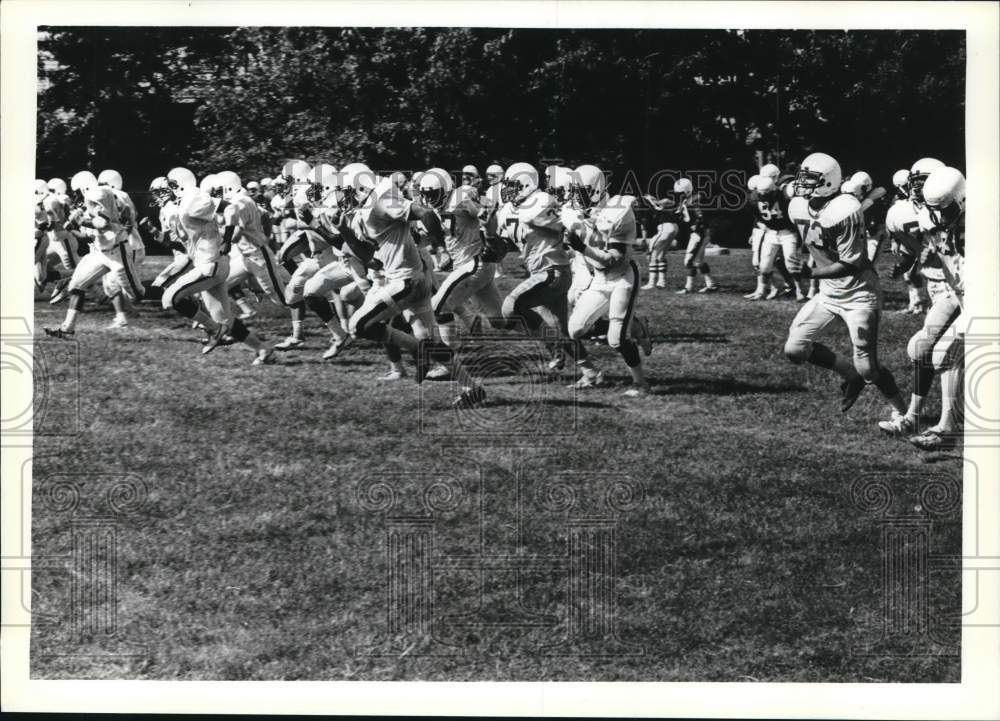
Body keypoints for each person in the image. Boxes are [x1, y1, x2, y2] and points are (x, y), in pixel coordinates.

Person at [783, 152, 907, 417]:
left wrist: (810, 274)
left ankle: (904, 413)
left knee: (869, 368)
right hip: (829, 293)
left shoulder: (845, 209)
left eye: (810, 179)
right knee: (795, 349)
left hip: (859, 293)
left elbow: (851, 263)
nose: (802, 184)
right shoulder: (798, 206)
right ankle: (850, 375)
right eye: (802, 177)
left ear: (828, 182)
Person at [879, 165, 965, 450]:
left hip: (984, 297)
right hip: (956, 293)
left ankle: (946, 428)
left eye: (944, 208)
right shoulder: (930, 215)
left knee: (943, 355)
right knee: (920, 349)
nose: (939, 215)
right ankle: (916, 417)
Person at [563, 164, 652, 396]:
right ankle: (636, 327)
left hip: (622, 277)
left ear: (595, 190)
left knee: (616, 339)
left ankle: (640, 383)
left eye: (579, 191)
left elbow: (616, 260)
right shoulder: (581, 211)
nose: (574, 196)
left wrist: (582, 248)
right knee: (574, 329)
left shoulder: (618, 211)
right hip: (599, 278)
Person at [672, 178, 717, 293]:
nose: (678, 196)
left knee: (689, 260)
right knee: (699, 261)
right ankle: (711, 285)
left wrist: (698, 229)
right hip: (697, 233)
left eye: (680, 193)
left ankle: (688, 287)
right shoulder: (686, 201)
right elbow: (683, 216)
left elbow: (700, 217)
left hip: (700, 233)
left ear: (686, 191)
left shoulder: (694, 199)